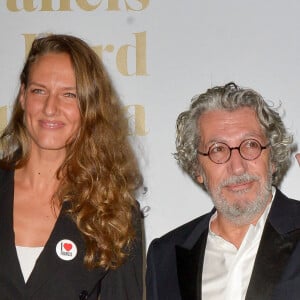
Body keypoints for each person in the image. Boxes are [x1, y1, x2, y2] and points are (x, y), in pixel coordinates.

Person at [0, 34, 143, 299]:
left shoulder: (115, 213)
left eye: (69, 94)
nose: (50, 108)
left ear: (90, 106)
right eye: (39, 91)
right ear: (22, 96)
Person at [146, 82, 300, 300]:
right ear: (197, 168)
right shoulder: (165, 256)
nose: (237, 167)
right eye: (218, 150)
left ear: (273, 158)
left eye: (250, 145)